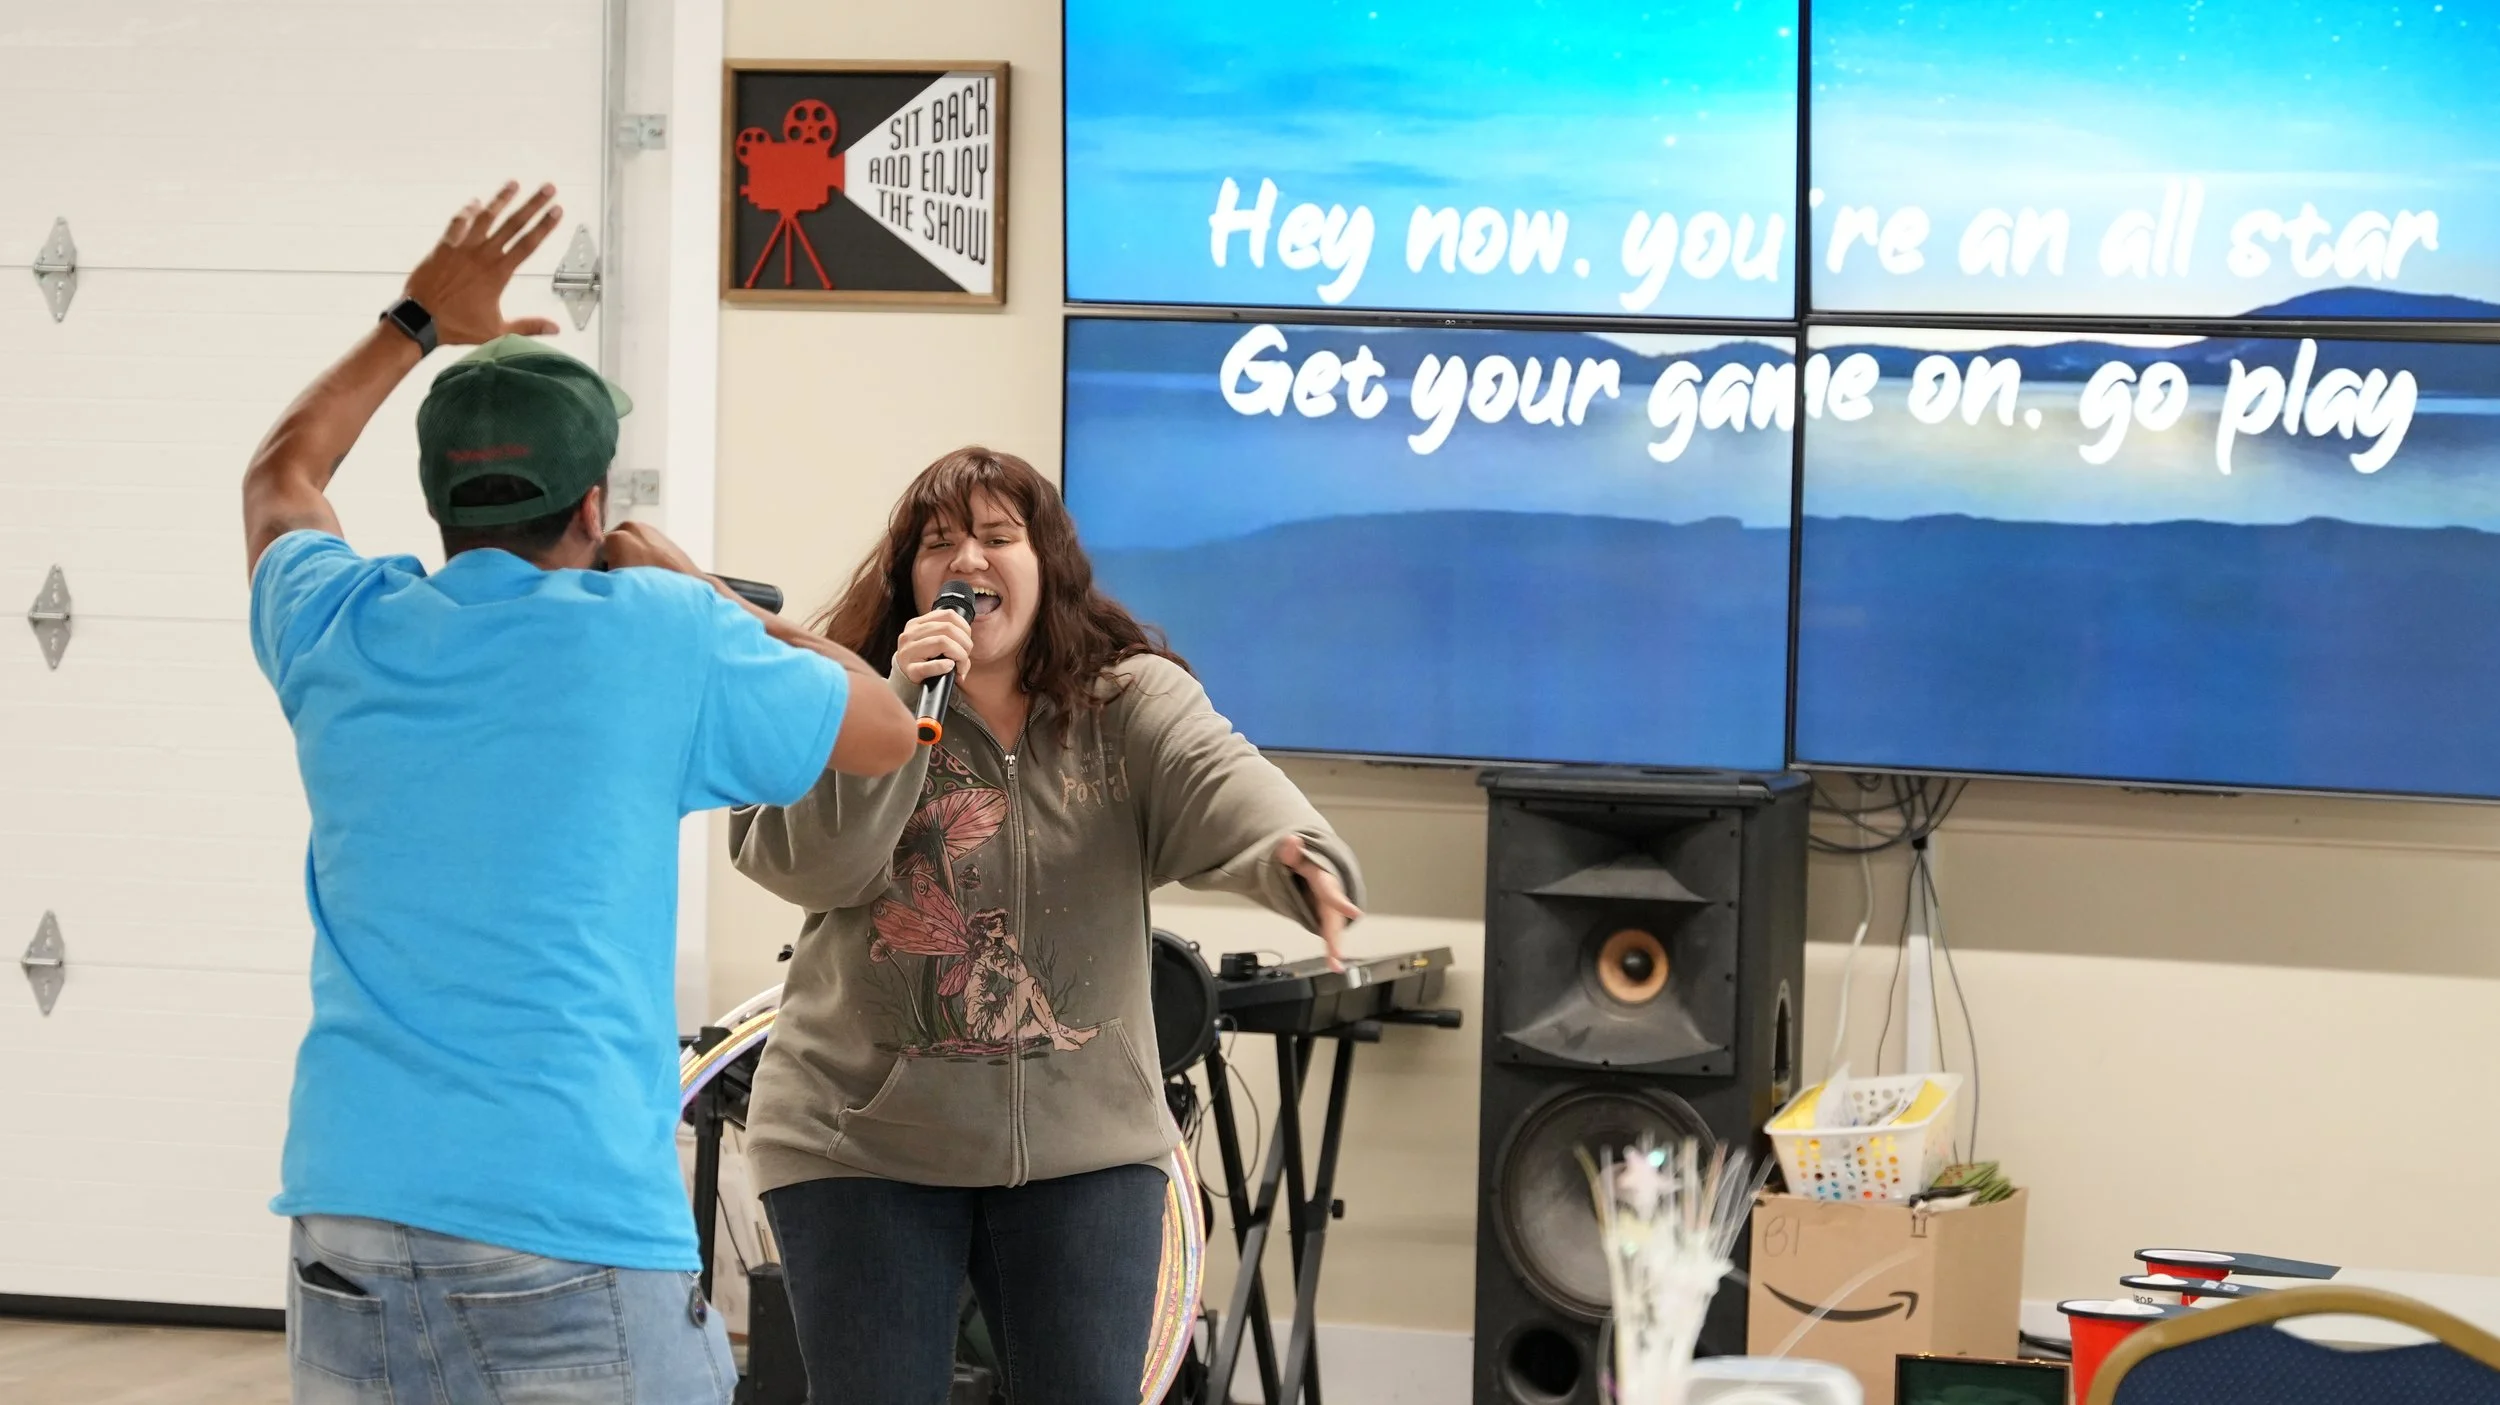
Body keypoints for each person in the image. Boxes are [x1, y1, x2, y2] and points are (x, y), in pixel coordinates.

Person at [240, 182, 918, 1404]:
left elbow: (282, 473)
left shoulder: (340, 625)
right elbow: (885, 729)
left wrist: (417, 318)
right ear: (595, 504)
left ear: (439, 503)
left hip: (350, 1215)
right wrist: (707, 589)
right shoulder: (659, 633)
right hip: (572, 1226)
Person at [729, 446, 1366, 1404]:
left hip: (1086, 1150)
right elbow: (811, 864)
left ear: (1048, 563)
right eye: (940, 543)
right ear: (907, 578)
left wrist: (1297, 854)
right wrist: (894, 708)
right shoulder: (843, 692)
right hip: (856, 1143)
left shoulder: (1129, 700)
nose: (969, 561)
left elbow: (1219, 778)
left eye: (998, 537)